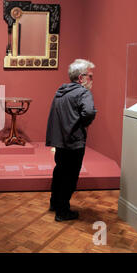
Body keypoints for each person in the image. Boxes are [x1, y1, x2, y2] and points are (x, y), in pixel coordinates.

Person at [46, 59, 97, 222]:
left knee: (60, 171)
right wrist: (84, 123)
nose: (92, 80)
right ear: (81, 78)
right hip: (74, 142)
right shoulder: (83, 93)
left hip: (60, 141)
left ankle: (55, 203)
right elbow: (88, 112)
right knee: (70, 176)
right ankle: (63, 211)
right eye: (90, 76)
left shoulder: (61, 91)